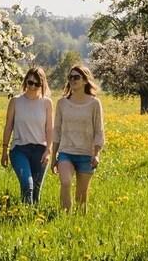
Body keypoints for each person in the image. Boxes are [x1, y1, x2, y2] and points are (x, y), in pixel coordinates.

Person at [52, 62, 106, 211]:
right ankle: (64, 217)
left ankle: (79, 223)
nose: (73, 80)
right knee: (65, 182)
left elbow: (99, 131)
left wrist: (96, 155)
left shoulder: (94, 103)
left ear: (84, 80)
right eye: (70, 77)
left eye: (76, 77)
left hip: (86, 155)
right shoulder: (62, 103)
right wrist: (53, 157)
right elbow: (56, 130)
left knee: (81, 197)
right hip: (66, 152)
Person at [0, 66, 53, 205]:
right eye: (30, 83)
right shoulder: (16, 101)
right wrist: (4, 150)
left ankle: (32, 220)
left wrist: (48, 151)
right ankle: (23, 215)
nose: (33, 87)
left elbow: (49, 129)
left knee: (35, 191)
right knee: (27, 185)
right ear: (25, 82)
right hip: (19, 150)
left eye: (37, 84)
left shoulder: (47, 103)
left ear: (42, 84)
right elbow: (8, 126)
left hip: (40, 150)